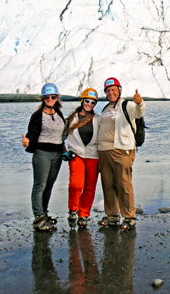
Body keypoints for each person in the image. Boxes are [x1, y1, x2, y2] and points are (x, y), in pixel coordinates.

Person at [97, 77, 145, 230]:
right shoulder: (105, 109)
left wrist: (140, 102)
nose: (111, 92)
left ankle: (129, 217)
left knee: (124, 184)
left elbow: (138, 113)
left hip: (122, 150)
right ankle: (112, 216)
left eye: (113, 90)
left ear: (119, 90)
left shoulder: (127, 105)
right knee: (108, 185)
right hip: (104, 152)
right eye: (108, 90)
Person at [22, 83, 67, 231]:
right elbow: (32, 134)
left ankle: (44, 213)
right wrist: (27, 142)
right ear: (42, 98)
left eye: (53, 96)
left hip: (57, 154)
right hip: (42, 153)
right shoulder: (37, 115)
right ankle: (38, 217)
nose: (50, 99)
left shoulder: (58, 113)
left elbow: (63, 134)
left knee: (49, 185)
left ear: (56, 98)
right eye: (47, 97)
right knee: (39, 185)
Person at [65, 88, 101, 228]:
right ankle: (73, 210)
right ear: (82, 101)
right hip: (76, 155)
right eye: (87, 101)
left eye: (93, 102)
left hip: (93, 156)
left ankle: (83, 215)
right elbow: (59, 136)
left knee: (90, 188)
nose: (89, 104)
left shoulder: (98, 119)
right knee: (76, 184)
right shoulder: (70, 119)